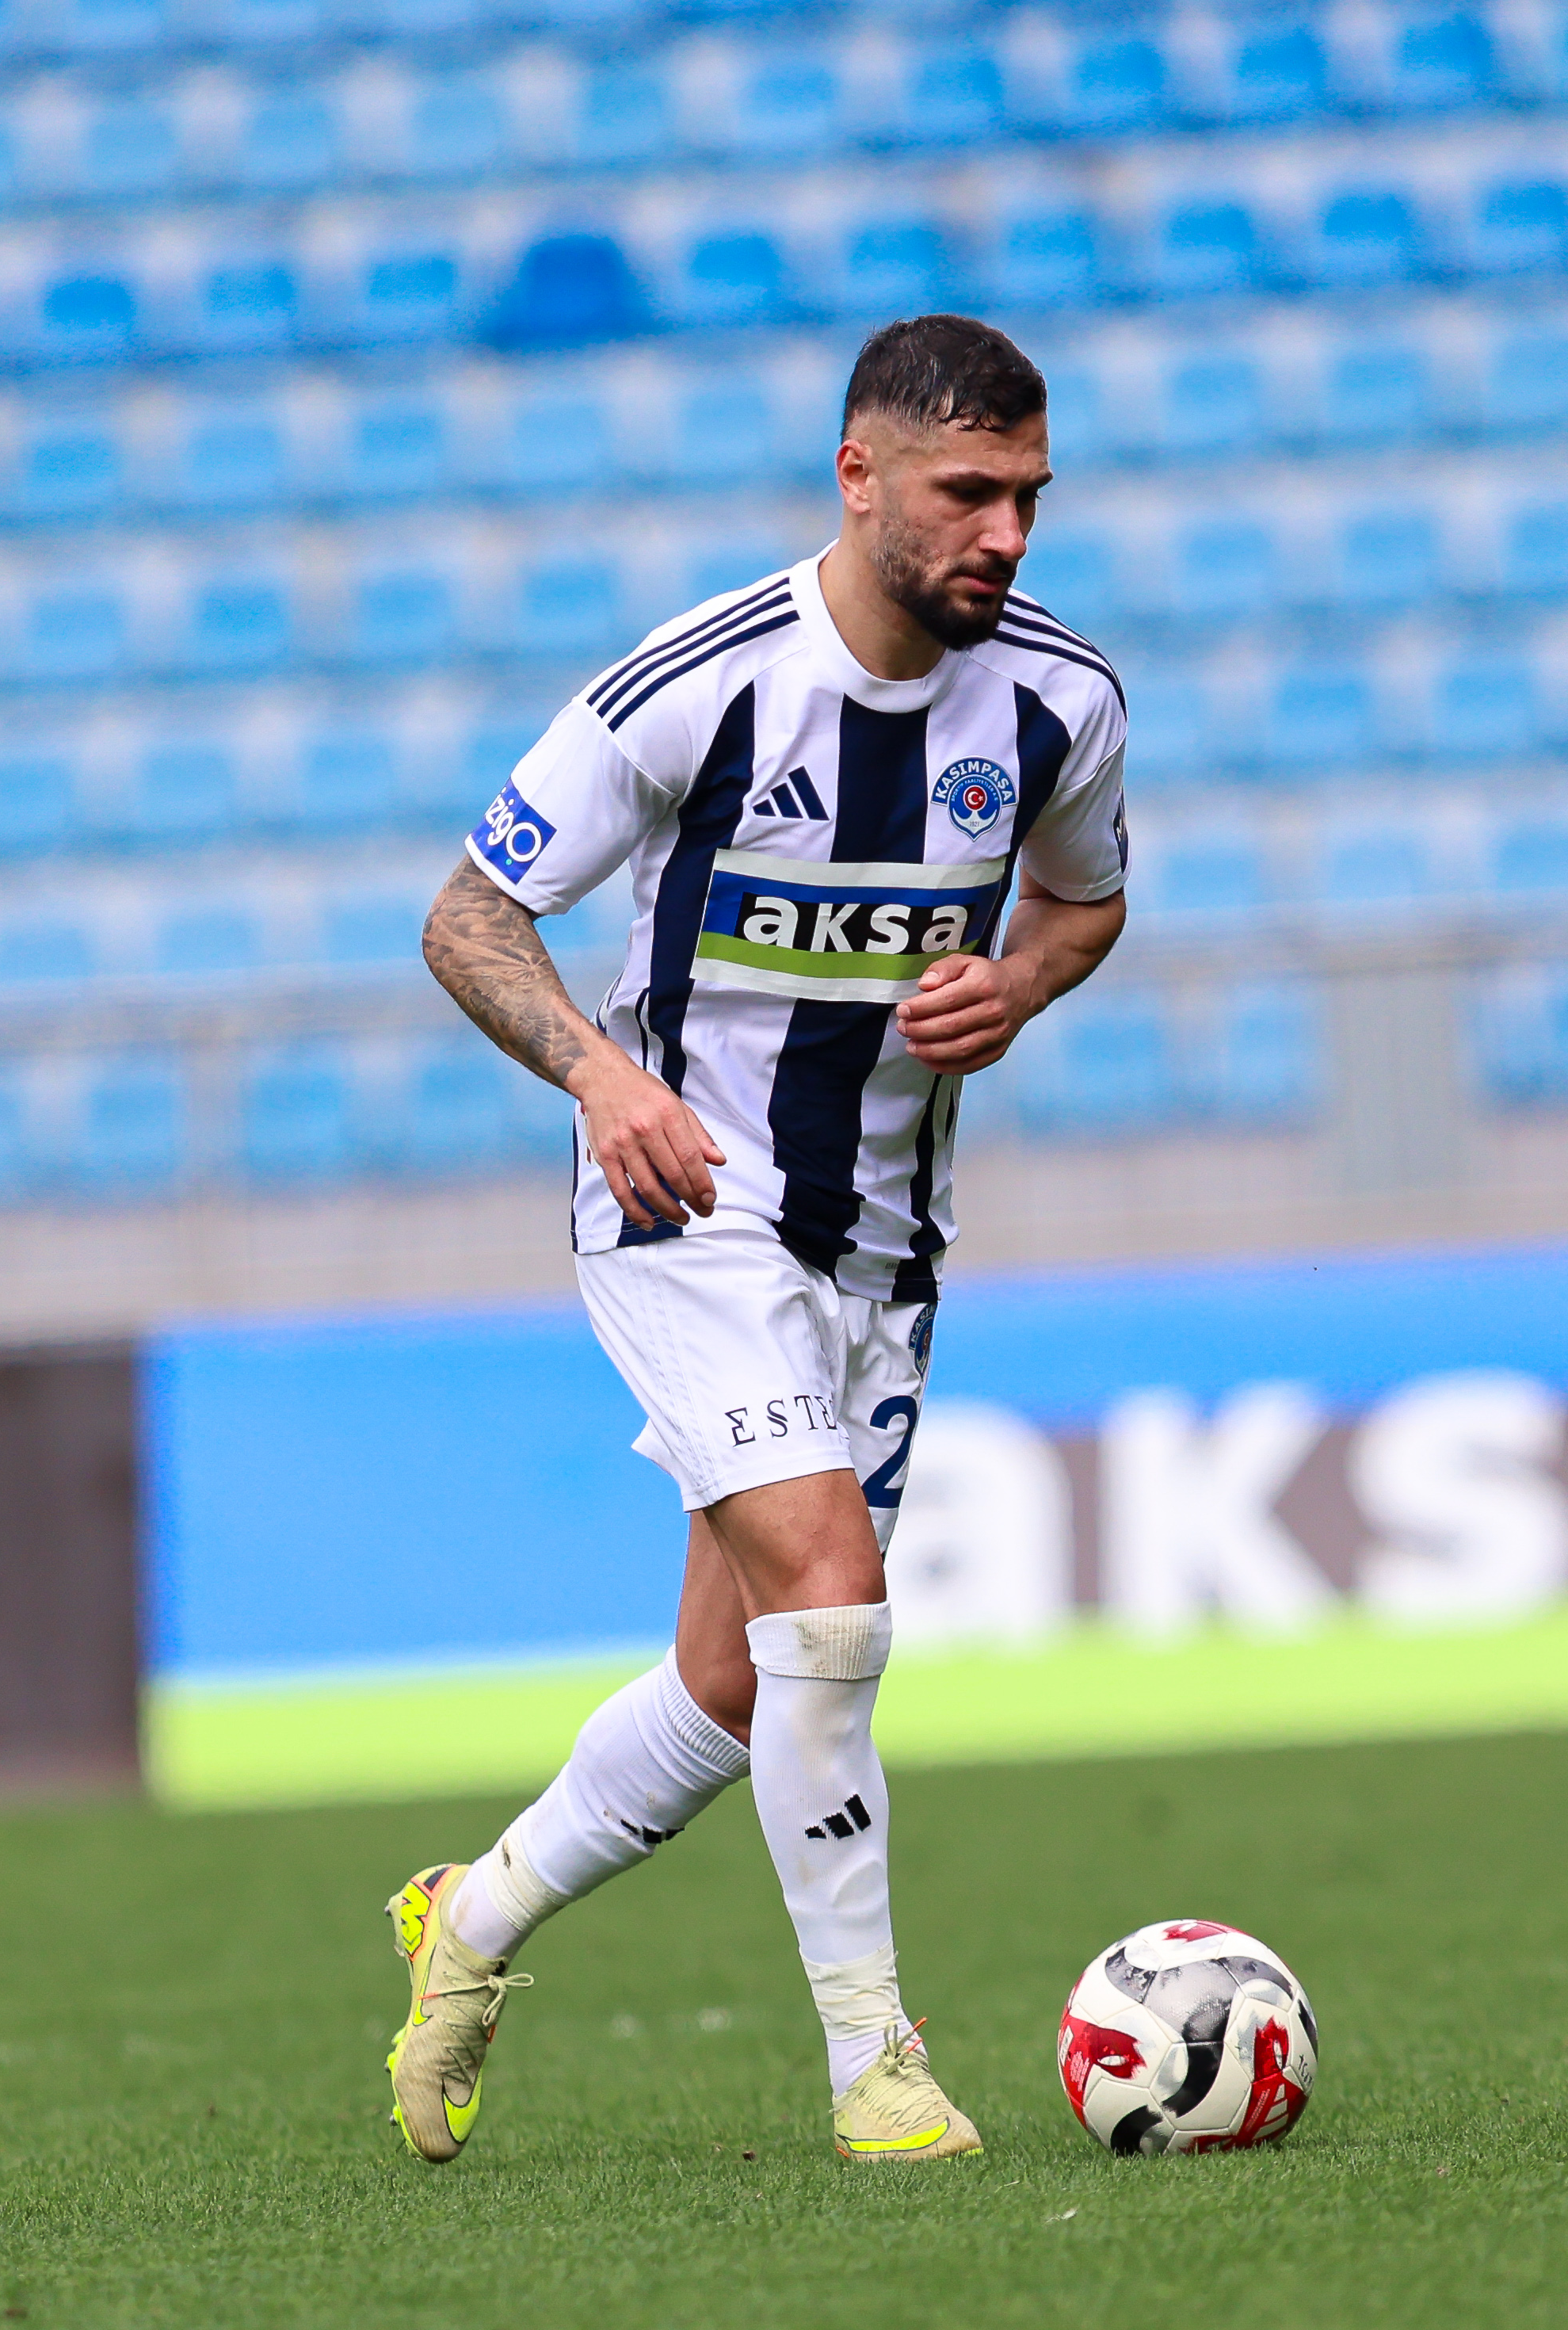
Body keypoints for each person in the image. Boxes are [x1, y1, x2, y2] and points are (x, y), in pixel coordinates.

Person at [386, 312, 1128, 2167]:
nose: (1005, 533)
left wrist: (1024, 983)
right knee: (834, 1598)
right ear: (858, 477)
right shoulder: (700, 684)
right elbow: (468, 914)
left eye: (1029, 497)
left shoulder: (1060, 705)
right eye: (968, 492)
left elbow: (1084, 902)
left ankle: (468, 1919)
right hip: (687, 1202)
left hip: (883, 1245)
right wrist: (597, 1077)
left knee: (737, 1684)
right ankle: (878, 2064)